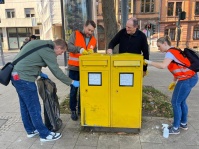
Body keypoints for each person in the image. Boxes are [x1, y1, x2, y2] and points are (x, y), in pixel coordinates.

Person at [11, 39, 80, 142]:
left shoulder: (42, 43)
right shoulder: (49, 50)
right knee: (34, 107)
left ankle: (30, 130)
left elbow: (31, 58)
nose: (60, 54)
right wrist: (71, 82)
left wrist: (39, 72)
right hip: (25, 79)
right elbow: (56, 71)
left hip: (16, 75)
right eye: (62, 52)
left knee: (25, 105)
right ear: (58, 47)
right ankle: (45, 135)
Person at [145, 36, 198, 135]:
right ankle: (183, 123)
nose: (158, 48)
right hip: (192, 77)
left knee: (175, 102)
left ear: (165, 43)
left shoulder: (170, 52)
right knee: (181, 102)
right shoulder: (175, 50)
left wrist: (149, 62)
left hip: (186, 79)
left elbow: (163, 66)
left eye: (159, 46)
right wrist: (174, 81)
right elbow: (179, 66)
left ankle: (175, 128)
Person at [67, 20, 97, 121]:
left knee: (84, 90)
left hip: (86, 70)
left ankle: (81, 109)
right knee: (74, 90)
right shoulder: (75, 34)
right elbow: (69, 47)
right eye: (89, 29)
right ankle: (73, 110)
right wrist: (79, 49)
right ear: (84, 26)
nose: (90, 32)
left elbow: (93, 54)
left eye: (92, 31)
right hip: (74, 68)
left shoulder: (93, 40)